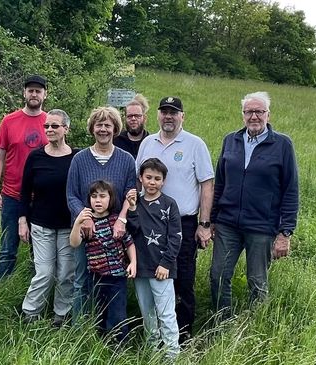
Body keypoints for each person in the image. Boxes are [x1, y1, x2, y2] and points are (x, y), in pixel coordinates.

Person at [209, 91, 299, 321]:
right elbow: (220, 182)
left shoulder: (282, 144)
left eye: (259, 111)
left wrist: (285, 233)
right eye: (249, 111)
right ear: (243, 115)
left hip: (261, 226)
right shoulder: (231, 140)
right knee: (218, 275)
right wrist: (211, 219)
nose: (254, 116)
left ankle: (255, 326)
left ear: (268, 114)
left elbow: (290, 189)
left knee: (257, 281)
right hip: (228, 223)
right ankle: (222, 323)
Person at [135, 96, 214, 344]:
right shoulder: (148, 142)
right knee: (151, 277)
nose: (168, 116)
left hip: (183, 223)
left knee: (183, 279)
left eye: (174, 112)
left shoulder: (195, 144)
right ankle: (155, 335)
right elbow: (138, 180)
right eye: (164, 112)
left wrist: (204, 224)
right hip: (149, 223)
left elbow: (207, 184)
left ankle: (182, 336)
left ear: (182, 116)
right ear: (158, 115)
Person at [66, 106, 138, 321]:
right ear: (92, 128)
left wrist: (122, 219)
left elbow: (130, 194)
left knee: (112, 281)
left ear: (115, 129)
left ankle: (109, 327)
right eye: (99, 125)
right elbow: (71, 194)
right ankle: (80, 327)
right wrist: (85, 218)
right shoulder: (79, 159)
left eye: (108, 125)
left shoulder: (126, 159)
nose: (103, 129)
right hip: (85, 231)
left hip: (114, 232)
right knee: (82, 280)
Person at [18, 109, 79, 326]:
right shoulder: (36, 157)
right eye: (47, 126)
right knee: (44, 272)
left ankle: (61, 316)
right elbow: (25, 192)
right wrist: (22, 220)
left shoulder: (76, 157)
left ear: (66, 129)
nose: (50, 129)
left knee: (66, 274)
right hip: (41, 225)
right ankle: (30, 313)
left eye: (55, 126)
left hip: (68, 226)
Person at [0, 75, 49, 280]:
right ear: (24, 93)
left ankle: (37, 290)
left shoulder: (51, 122)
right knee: (8, 248)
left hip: (42, 197)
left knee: (40, 251)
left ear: (45, 94)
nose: (34, 94)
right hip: (12, 195)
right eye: (30, 90)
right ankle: (2, 288)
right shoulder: (9, 121)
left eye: (38, 91)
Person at [125, 158, 182, 359]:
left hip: (162, 269)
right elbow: (132, 232)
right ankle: (152, 350)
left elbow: (176, 237)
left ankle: (172, 354)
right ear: (140, 178)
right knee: (147, 312)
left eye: (157, 179)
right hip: (141, 266)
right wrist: (132, 209)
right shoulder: (135, 204)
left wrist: (166, 263)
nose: (152, 182)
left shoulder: (169, 204)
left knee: (166, 313)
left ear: (163, 181)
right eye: (148, 177)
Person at [69, 180, 136, 343]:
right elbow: (74, 243)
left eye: (102, 196)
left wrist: (133, 262)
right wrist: (77, 223)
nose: (98, 200)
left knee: (117, 313)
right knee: (99, 311)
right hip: (96, 277)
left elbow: (129, 243)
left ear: (110, 199)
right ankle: (102, 342)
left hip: (117, 277)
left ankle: (120, 345)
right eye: (94, 196)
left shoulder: (116, 221)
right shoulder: (87, 224)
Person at [113, 94, 150, 158]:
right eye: (129, 116)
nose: (133, 119)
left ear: (144, 118)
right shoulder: (115, 142)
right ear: (124, 118)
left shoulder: (150, 142)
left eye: (137, 116)